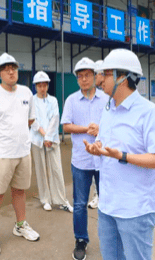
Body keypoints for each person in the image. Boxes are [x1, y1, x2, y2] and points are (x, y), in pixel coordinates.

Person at [84, 49, 155, 260]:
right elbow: (107, 146)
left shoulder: (150, 113)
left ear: (122, 77)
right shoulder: (108, 109)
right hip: (107, 206)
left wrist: (123, 156)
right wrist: (97, 148)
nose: (100, 79)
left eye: (105, 73)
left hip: (135, 211)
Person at [0, 53, 39, 256]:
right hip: (1, 154)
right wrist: (0, 138)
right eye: (6, 68)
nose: (11, 71)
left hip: (23, 151)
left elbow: (29, 120)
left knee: (20, 191)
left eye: (13, 67)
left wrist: (17, 135)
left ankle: (20, 225)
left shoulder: (26, 93)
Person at [60, 57, 107, 260]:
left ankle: (109, 238)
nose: (84, 79)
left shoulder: (106, 99)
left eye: (87, 75)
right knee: (79, 203)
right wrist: (86, 128)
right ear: (77, 79)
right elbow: (66, 126)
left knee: (108, 201)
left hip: (104, 159)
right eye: (80, 76)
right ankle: (81, 240)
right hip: (81, 161)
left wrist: (100, 128)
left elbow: (114, 125)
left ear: (94, 76)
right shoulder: (71, 100)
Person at [30, 71, 73, 213]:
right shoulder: (32, 101)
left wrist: (48, 137)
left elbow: (55, 119)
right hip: (37, 139)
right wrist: (43, 136)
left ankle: (61, 200)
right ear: (36, 86)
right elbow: (32, 120)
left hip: (52, 139)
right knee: (41, 169)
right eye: (39, 85)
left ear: (48, 86)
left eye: (44, 85)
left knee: (56, 169)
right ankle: (45, 199)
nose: (42, 88)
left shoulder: (53, 100)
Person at [87, 59, 104, 210]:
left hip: (106, 141)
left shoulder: (108, 96)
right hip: (94, 140)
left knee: (103, 172)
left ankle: (101, 196)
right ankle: (98, 195)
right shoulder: (93, 94)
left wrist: (101, 130)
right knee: (95, 172)